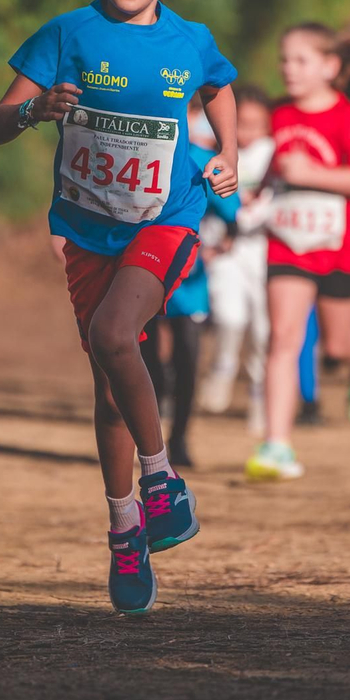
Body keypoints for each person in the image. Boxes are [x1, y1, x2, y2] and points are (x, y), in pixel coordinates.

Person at [0, 0, 238, 615]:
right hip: (88, 226)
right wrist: (35, 111)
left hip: (169, 214)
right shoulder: (67, 34)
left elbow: (220, 86)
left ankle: (162, 481)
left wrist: (232, 150)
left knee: (113, 333)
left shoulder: (190, 41)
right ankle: (125, 527)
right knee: (108, 384)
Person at [247, 23, 350, 482]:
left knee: (334, 343)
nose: (288, 69)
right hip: (288, 241)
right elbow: (265, 166)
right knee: (284, 338)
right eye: (284, 60)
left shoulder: (349, 118)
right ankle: (276, 445)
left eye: (300, 60)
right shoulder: (277, 114)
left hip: (342, 245)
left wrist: (312, 173)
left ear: (330, 67)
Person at [143, 142, 240, 467]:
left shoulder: (200, 159)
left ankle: (180, 439)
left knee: (187, 356)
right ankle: (150, 444)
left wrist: (220, 246)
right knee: (149, 361)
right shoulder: (142, 143)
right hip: (141, 269)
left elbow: (232, 215)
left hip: (189, 278)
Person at [198, 85, 273, 433]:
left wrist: (244, 217)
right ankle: (223, 368)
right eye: (242, 122)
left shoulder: (273, 154)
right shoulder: (217, 154)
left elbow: (274, 201)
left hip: (262, 252)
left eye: (257, 124)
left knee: (263, 329)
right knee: (229, 316)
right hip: (225, 252)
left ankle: (261, 397)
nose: (248, 132)